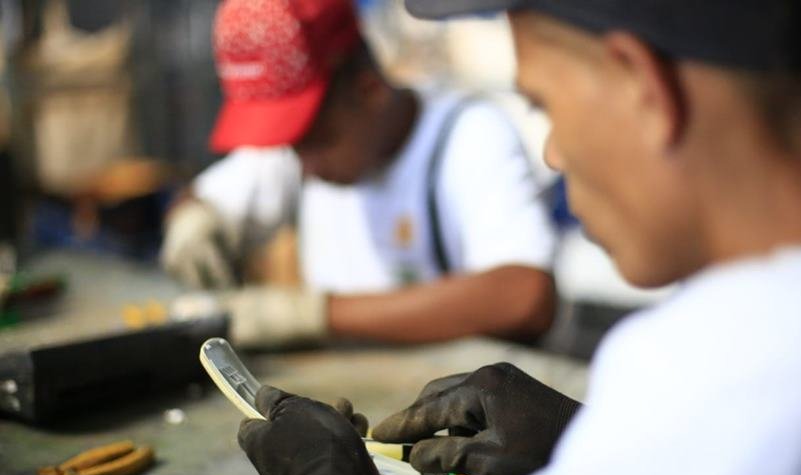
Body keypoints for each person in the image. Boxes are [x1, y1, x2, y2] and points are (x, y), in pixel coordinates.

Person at [236, 0, 801, 475]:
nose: (551, 153)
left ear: (642, 87)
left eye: (544, 104)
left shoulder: (751, 375)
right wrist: (593, 442)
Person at [160, 0, 557, 348]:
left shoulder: (467, 136)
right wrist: (193, 221)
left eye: (321, 141)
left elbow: (526, 296)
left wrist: (314, 314)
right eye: (294, 148)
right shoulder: (302, 151)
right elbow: (201, 197)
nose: (307, 166)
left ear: (370, 90)